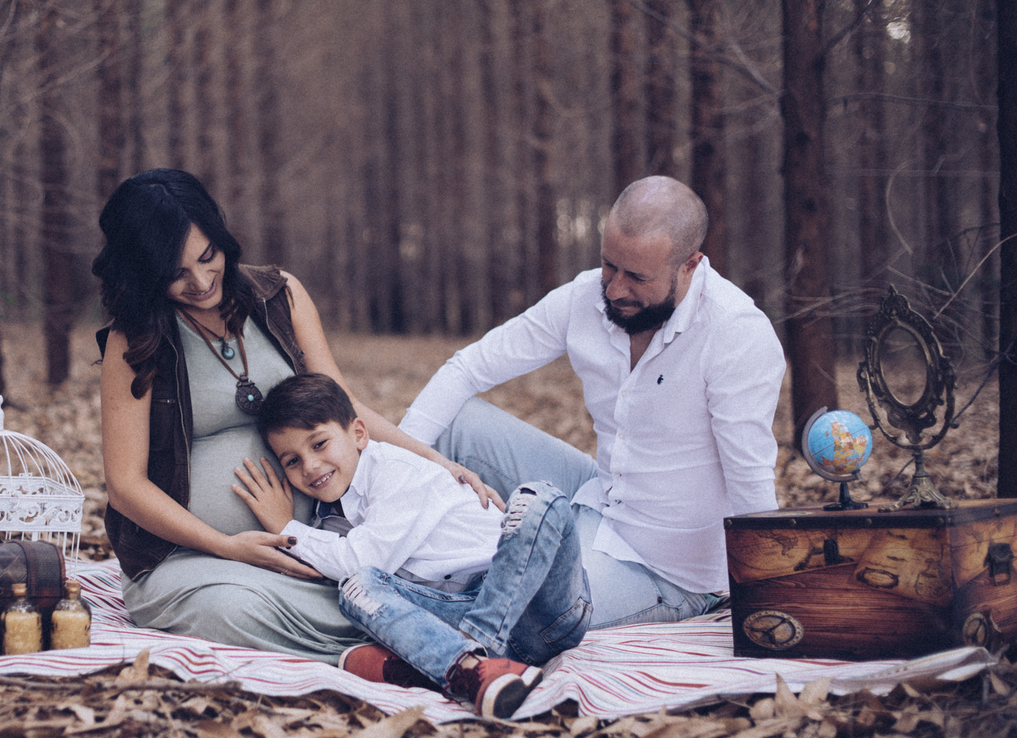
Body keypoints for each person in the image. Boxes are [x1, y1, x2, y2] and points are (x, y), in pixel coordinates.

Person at [92, 168, 498, 663]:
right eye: (175, 274)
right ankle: (381, 656)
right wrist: (226, 545)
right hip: (191, 557)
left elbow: (342, 405)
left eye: (207, 257)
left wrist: (436, 461)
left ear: (222, 239)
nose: (200, 282)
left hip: (321, 542)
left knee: (376, 578)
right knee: (230, 608)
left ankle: (402, 641)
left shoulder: (278, 295)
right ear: (144, 272)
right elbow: (126, 486)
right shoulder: (135, 339)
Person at [398, 176, 786, 628]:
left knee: (530, 613)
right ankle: (382, 533)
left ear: (690, 265)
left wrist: (769, 595)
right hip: (594, 497)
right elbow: (468, 368)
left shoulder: (736, 332)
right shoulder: (585, 297)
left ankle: (408, 596)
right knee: (452, 423)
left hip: (668, 568)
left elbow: (749, 476)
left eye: (638, 277)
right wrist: (386, 470)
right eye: (609, 265)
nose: (616, 289)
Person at [233, 373, 591, 718]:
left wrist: (287, 527)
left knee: (539, 498)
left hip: (540, 608)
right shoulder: (331, 514)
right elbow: (355, 569)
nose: (310, 466)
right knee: (357, 587)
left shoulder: (395, 471)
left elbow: (357, 556)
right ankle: (475, 669)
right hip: (460, 609)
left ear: (358, 433)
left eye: (319, 443)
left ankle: (473, 653)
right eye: (292, 461)